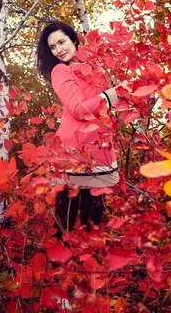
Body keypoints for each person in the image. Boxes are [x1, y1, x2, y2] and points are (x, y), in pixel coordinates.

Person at [37, 20, 120, 235]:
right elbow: (78, 109)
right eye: (53, 47)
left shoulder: (97, 67)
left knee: (93, 224)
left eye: (62, 42)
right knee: (64, 224)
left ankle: (89, 267)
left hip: (101, 151)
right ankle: (59, 264)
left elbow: (115, 105)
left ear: (74, 39)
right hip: (71, 153)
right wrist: (111, 96)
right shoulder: (60, 71)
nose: (58, 50)